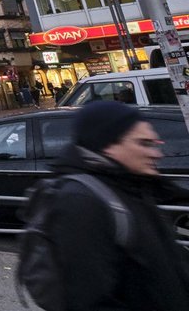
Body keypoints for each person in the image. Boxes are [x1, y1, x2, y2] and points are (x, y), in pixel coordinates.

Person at [30, 101, 189, 309]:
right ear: (108, 146)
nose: (156, 154)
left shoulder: (133, 185)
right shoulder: (81, 202)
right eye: (143, 143)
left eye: (154, 143)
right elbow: (86, 300)